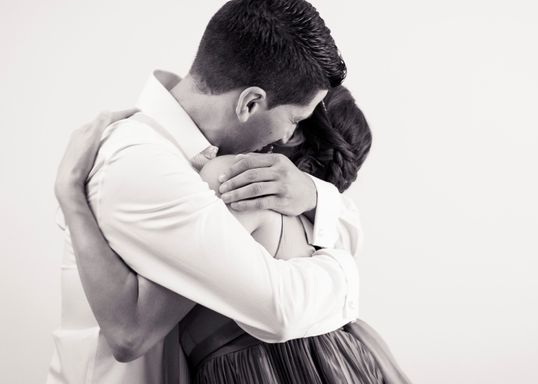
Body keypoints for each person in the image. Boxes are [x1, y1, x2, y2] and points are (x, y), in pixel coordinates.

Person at [47, 0, 364, 383]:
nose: (287, 139)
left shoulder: (194, 158)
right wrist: (346, 273)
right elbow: (277, 309)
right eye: (295, 120)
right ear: (249, 103)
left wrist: (314, 193)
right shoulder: (146, 163)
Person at [56, 86, 411, 383]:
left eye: (293, 118)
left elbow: (131, 332)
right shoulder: (318, 222)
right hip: (346, 358)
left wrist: (71, 194)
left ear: (297, 133)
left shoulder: (233, 183)